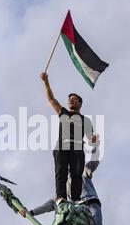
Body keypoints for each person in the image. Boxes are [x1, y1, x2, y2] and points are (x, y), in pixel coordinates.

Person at [40, 72, 97, 203]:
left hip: (77, 148)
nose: (71, 100)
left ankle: (76, 200)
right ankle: (61, 198)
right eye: (70, 98)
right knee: (61, 172)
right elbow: (51, 99)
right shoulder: (63, 113)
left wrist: (93, 139)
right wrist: (45, 81)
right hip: (62, 146)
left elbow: (90, 138)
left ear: (80, 104)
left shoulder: (85, 120)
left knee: (77, 175)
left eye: (74, 99)